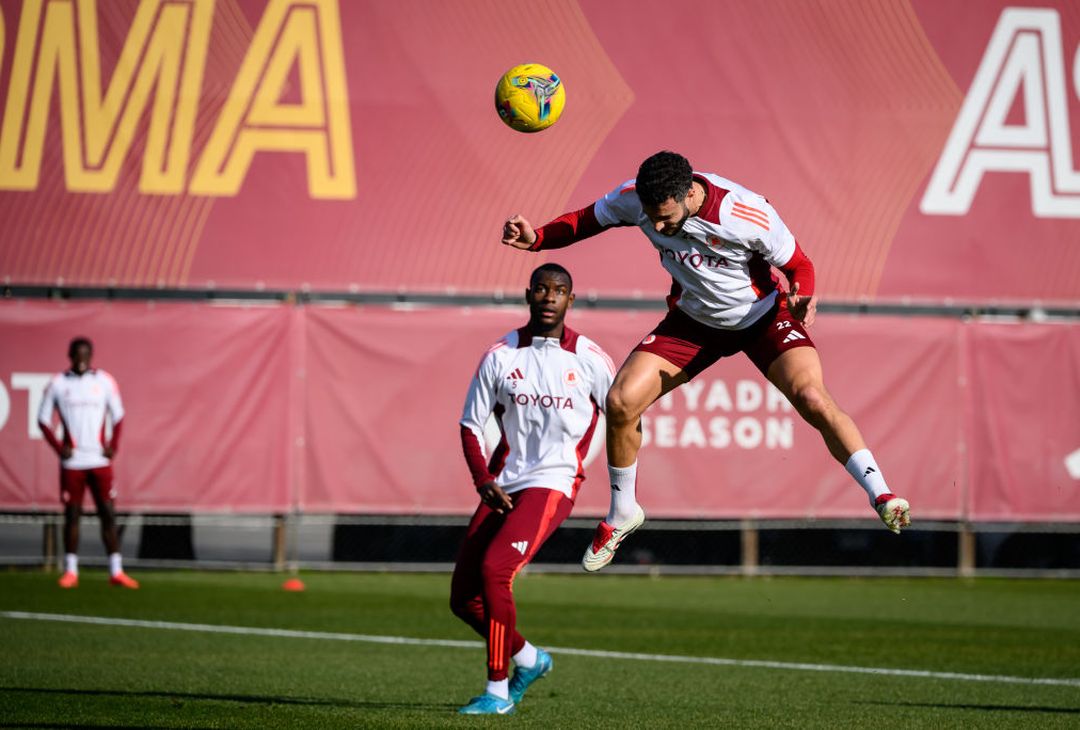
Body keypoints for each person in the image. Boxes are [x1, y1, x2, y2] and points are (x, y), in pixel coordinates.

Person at [501, 151, 911, 572]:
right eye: (651, 219)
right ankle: (623, 512)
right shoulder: (636, 198)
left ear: (688, 194)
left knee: (812, 398)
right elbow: (586, 220)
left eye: (665, 219)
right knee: (620, 402)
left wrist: (802, 295)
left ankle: (881, 494)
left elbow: (799, 265)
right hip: (693, 322)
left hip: (763, 318)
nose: (658, 228)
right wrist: (538, 238)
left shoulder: (744, 212)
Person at [451, 263, 615, 715]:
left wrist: (620, 493)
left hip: (554, 482)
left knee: (495, 571)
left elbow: (623, 415)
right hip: (503, 482)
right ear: (528, 295)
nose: (549, 297)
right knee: (463, 600)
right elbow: (470, 425)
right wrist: (483, 479)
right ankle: (529, 659)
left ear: (570, 300)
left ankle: (497, 692)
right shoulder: (500, 354)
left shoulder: (590, 358)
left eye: (558, 290)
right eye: (541, 289)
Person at [38, 337, 139, 589]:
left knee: (108, 513)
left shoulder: (104, 381)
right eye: (77, 354)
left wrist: (113, 445)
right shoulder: (58, 383)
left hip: (99, 460)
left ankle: (116, 570)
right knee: (72, 515)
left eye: (85, 355)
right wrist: (59, 448)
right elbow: (43, 419)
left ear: (91, 356)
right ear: (70, 356)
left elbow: (118, 415)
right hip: (73, 463)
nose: (81, 359)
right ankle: (71, 570)